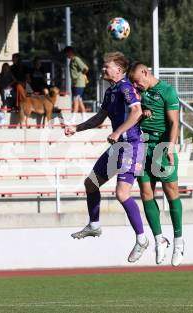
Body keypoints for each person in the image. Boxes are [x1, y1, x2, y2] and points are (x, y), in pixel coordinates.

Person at [65, 52, 148, 263]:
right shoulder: (111, 91)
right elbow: (100, 118)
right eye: (103, 66)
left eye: (107, 66)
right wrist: (77, 128)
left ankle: (141, 239)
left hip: (131, 146)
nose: (103, 69)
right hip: (118, 147)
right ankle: (94, 225)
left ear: (119, 70)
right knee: (90, 183)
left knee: (122, 193)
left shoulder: (126, 87)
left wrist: (118, 132)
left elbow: (136, 112)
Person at [128, 62, 185, 266]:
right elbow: (132, 112)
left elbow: (174, 123)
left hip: (162, 146)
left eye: (137, 81)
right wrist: (142, 112)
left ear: (145, 72)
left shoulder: (167, 91)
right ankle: (159, 239)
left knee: (171, 192)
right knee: (146, 193)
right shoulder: (137, 93)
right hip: (143, 147)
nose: (136, 85)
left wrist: (170, 146)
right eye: (133, 83)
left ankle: (178, 241)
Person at [63, 46, 89, 122]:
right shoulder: (72, 60)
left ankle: (73, 118)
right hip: (75, 83)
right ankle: (84, 118)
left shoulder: (76, 59)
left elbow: (86, 68)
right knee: (79, 100)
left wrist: (81, 75)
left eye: (66, 53)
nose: (66, 55)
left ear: (70, 52)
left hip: (79, 83)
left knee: (76, 99)